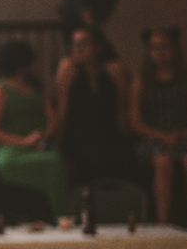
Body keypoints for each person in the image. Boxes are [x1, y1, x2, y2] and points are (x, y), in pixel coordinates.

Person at [129, 27, 187, 229]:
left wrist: (184, 133)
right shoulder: (141, 81)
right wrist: (160, 135)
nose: (159, 53)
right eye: (154, 48)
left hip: (184, 134)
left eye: (164, 47)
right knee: (163, 163)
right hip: (153, 137)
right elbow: (135, 122)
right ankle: (162, 223)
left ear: (175, 50)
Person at [0, 40, 68, 217]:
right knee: (10, 163)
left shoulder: (36, 88)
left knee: (53, 160)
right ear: (22, 64)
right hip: (11, 148)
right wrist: (24, 141)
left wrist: (43, 136)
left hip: (39, 145)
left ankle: (58, 215)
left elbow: (51, 118)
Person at [56, 26, 139, 185]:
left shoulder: (115, 70)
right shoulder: (68, 69)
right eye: (74, 44)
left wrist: (128, 135)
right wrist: (58, 144)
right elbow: (62, 110)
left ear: (98, 46)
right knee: (92, 156)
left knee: (122, 155)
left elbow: (122, 109)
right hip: (79, 134)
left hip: (109, 132)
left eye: (84, 44)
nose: (77, 49)